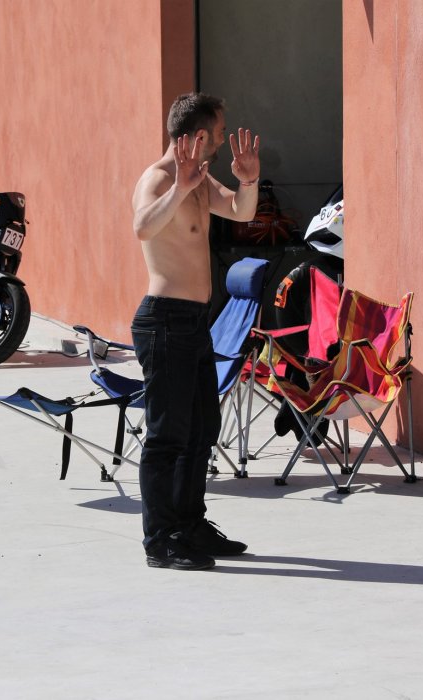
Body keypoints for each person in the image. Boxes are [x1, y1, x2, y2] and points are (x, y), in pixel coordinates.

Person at [131, 92, 260, 570]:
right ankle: (159, 539)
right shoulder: (159, 178)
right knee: (167, 436)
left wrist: (248, 181)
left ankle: (189, 525)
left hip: (195, 322)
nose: (224, 141)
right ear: (200, 136)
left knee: (202, 430)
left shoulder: (201, 180)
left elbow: (242, 211)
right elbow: (143, 227)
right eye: (221, 132)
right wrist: (179, 190)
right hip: (164, 320)